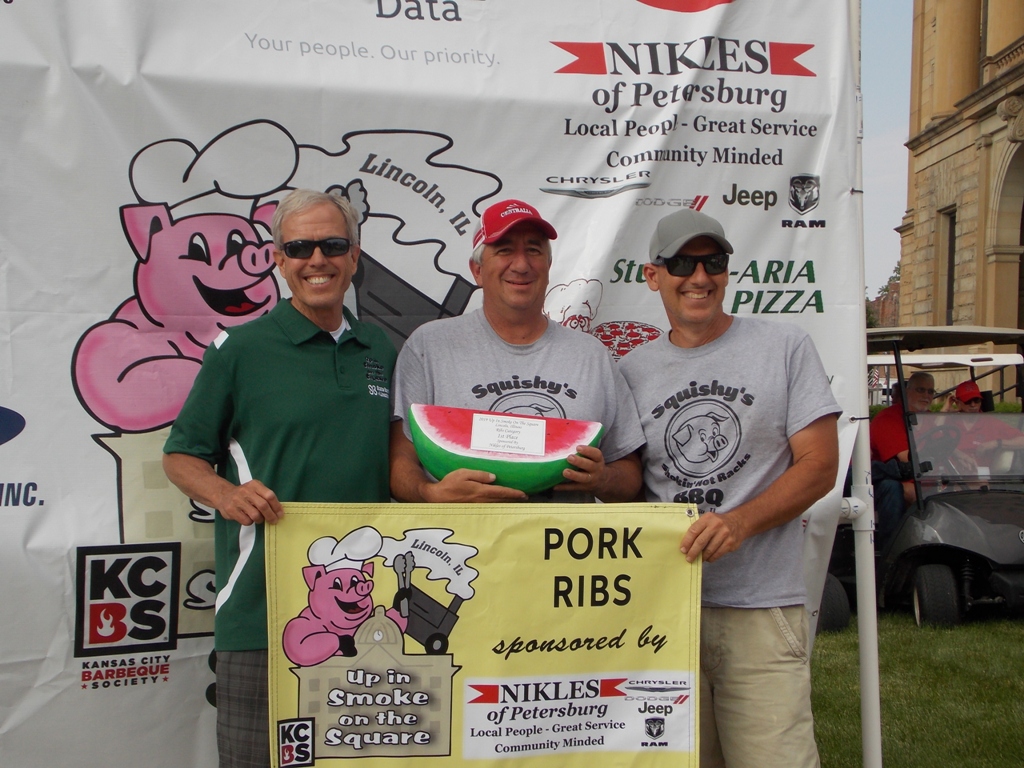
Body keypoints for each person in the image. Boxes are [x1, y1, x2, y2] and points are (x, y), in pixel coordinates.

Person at [163, 189, 396, 768]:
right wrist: (226, 494)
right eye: (299, 248)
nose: (317, 259)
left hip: (362, 614)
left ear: (355, 254)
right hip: (260, 610)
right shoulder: (240, 350)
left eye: (333, 245)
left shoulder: (381, 349)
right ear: (277, 259)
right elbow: (181, 455)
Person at [618, 208, 840, 768]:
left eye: (713, 262)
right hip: (662, 614)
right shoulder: (630, 371)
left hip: (760, 611)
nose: (699, 277)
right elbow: (628, 481)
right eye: (682, 264)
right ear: (653, 276)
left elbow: (819, 465)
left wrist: (739, 523)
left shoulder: (785, 346)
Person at [389, 198, 644, 503]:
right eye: (504, 250)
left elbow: (630, 474)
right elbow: (400, 460)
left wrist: (603, 480)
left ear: (548, 266)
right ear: (477, 270)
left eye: (534, 250)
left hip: (560, 535)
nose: (521, 265)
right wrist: (429, 493)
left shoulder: (591, 356)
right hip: (463, 534)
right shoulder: (428, 347)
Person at [869, 371, 934, 546]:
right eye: (921, 390)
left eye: (930, 391)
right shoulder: (888, 419)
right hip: (882, 480)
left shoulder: (929, 418)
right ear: (907, 391)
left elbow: (938, 450)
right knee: (908, 492)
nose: (926, 395)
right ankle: (894, 548)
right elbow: (907, 458)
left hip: (917, 477)